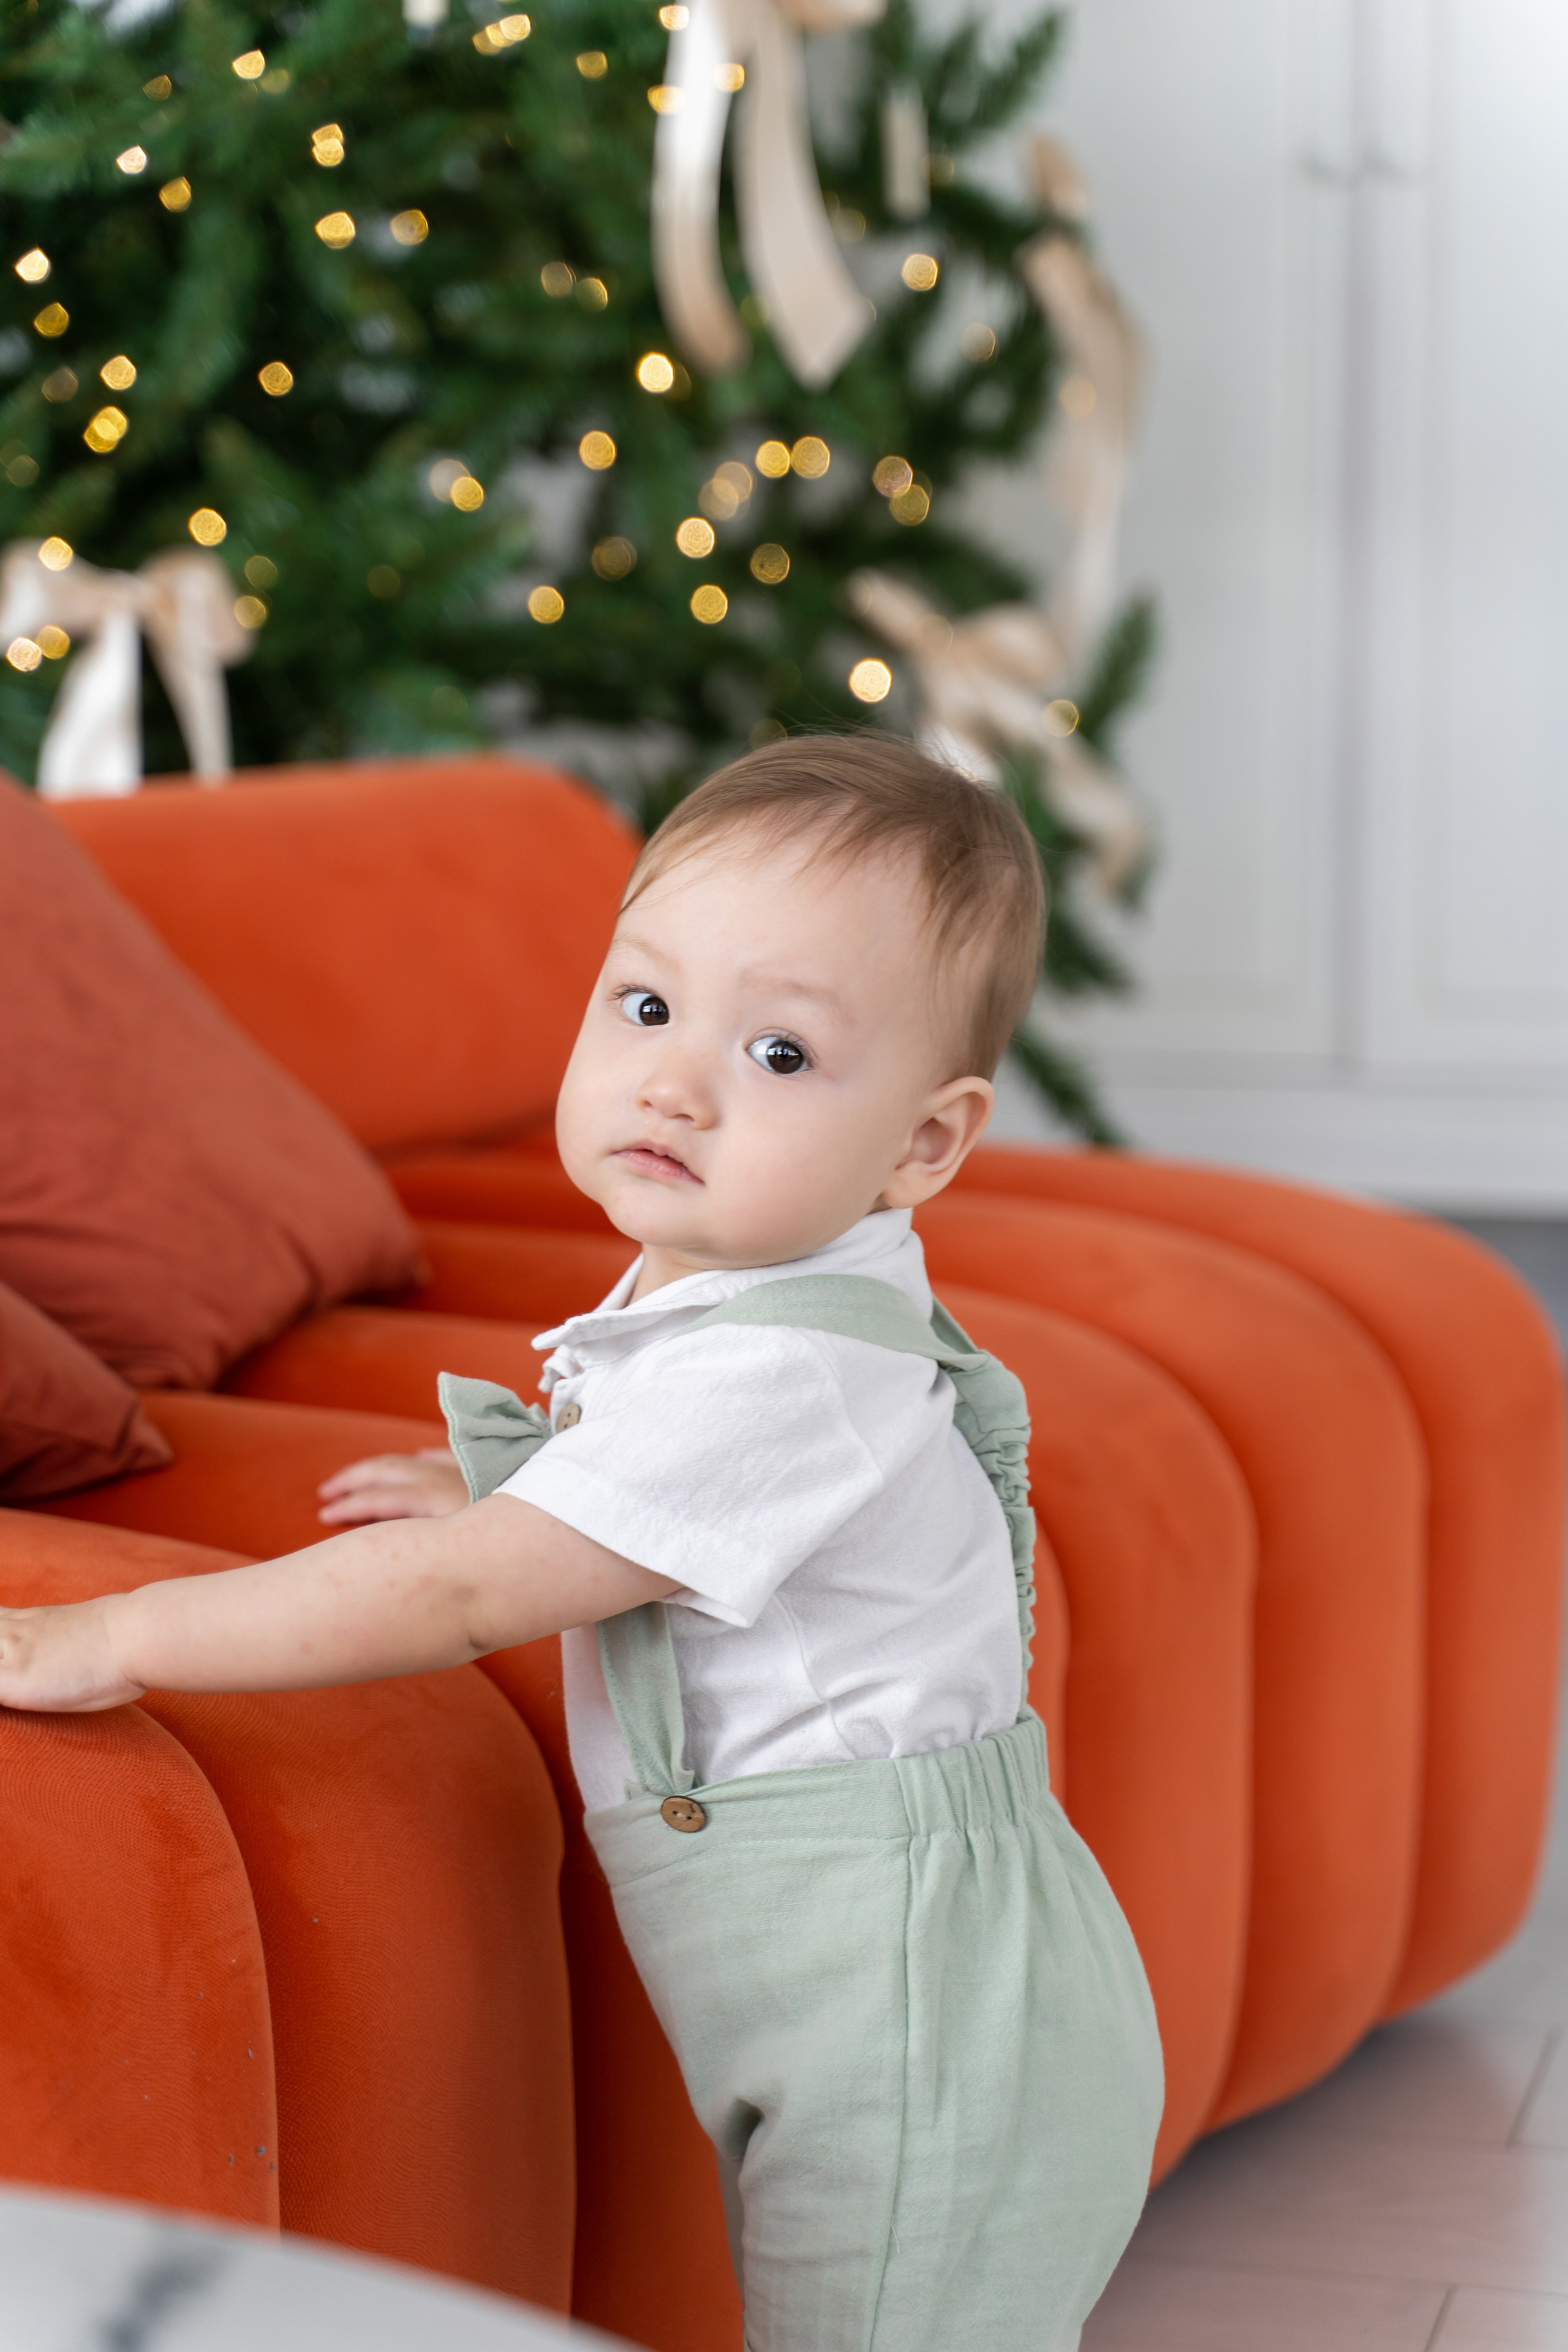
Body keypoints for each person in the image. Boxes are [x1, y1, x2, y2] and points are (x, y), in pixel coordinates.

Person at [0, 734, 1162, 2351]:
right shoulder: (734, 1285)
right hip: (867, 1972)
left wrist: (112, 1635)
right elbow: (666, 1474)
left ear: (923, 1146)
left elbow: (467, 1594)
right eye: (645, 1005)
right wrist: (542, 1483)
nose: (676, 1082)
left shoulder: (789, 1367)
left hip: (920, 2009)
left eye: (778, 1052)